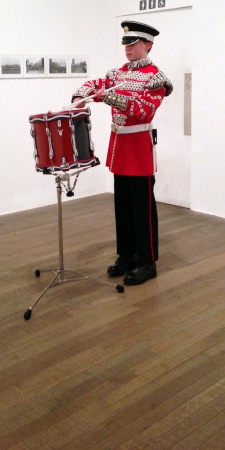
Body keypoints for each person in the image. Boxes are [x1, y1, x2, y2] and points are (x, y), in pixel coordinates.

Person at [72, 20, 173, 285]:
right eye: (126, 43)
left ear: (148, 45)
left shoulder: (155, 78)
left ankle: (147, 261)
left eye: (134, 43)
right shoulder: (118, 73)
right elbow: (97, 83)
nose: (128, 48)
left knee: (142, 208)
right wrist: (81, 94)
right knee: (123, 207)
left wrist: (109, 97)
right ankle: (127, 255)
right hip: (120, 146)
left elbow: (143, 110)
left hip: (139, 146)